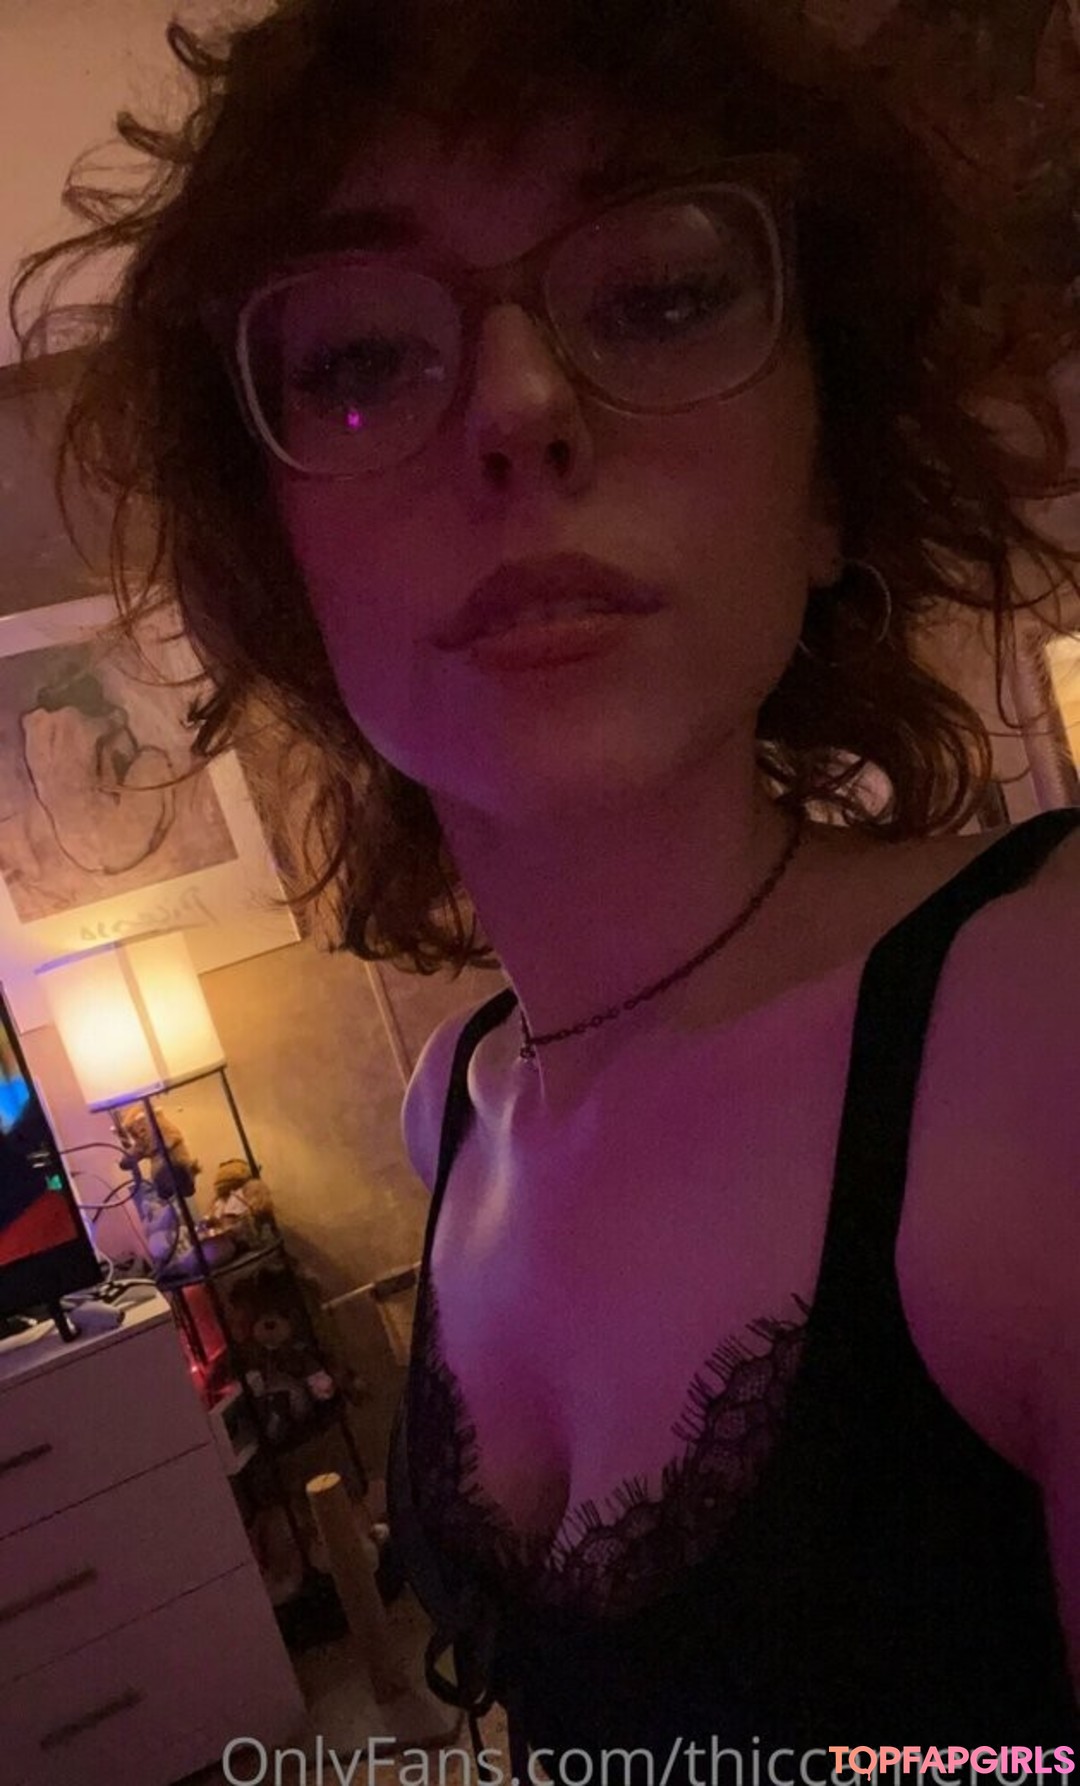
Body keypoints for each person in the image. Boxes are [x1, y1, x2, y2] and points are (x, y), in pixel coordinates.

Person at [13, 0, 1080, 1765]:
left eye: (658, 296)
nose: (518, 407)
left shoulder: (1047, 1040)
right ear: (287, 572)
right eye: (364, 354)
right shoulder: (453, 1112)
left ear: (829, 481)